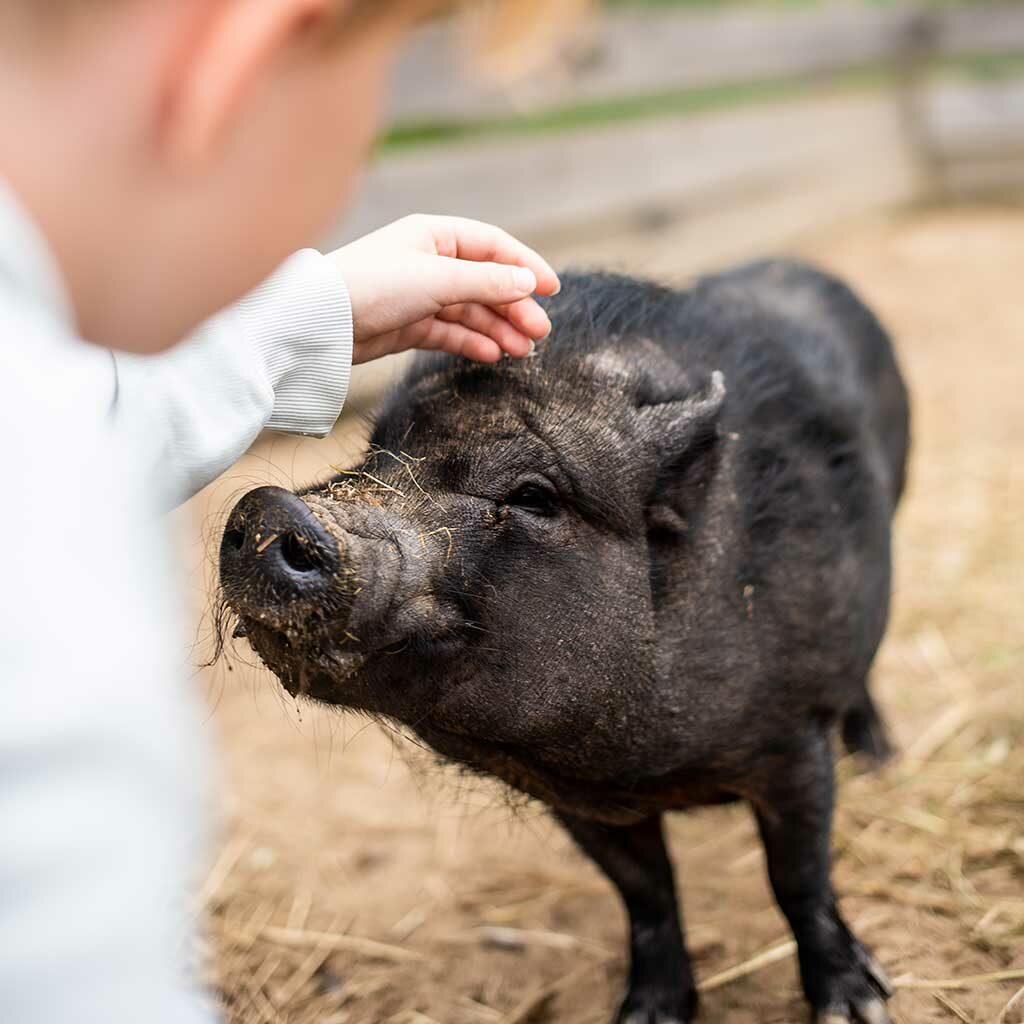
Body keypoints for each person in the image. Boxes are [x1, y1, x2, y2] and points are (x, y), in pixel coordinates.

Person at [0, 2, 579, 1021]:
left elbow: (82, 421)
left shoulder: (34, 414)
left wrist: (308, 318)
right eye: (382, 76)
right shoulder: (49, 593)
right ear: (238, 55)